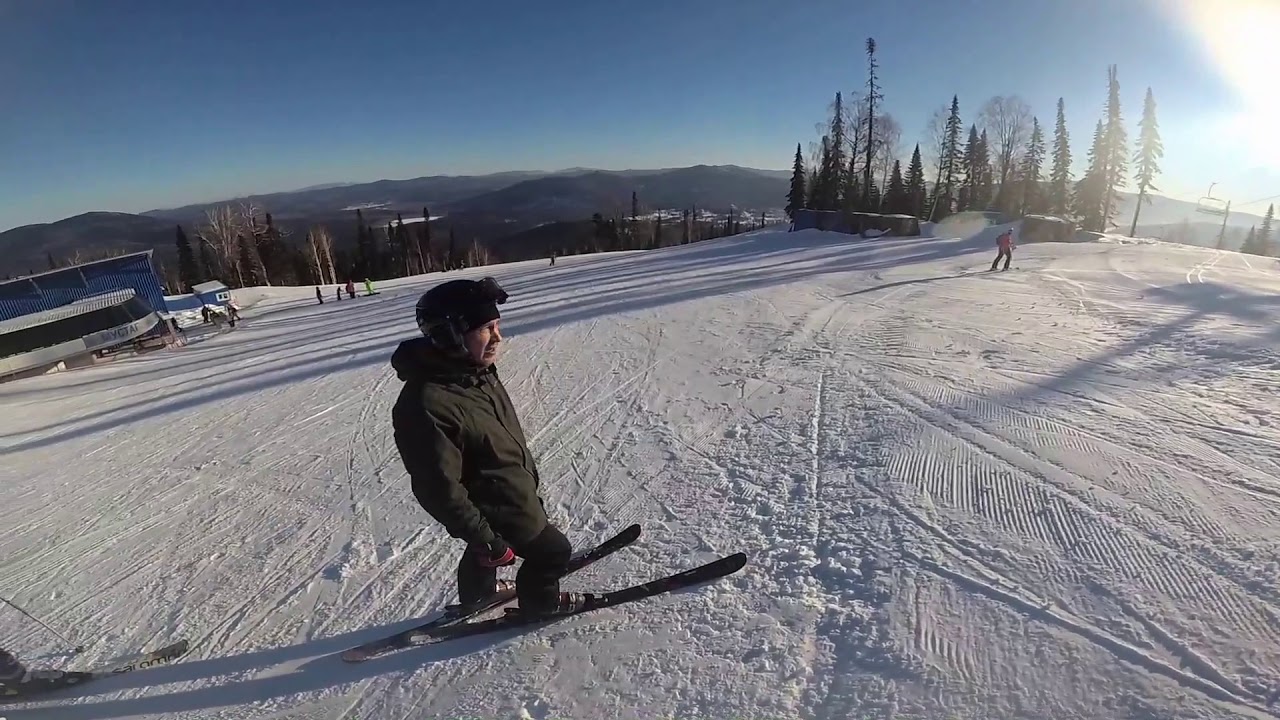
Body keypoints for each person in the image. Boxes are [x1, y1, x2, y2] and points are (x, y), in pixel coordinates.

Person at [389, 276, 590, 618]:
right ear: (450, 336)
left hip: (502, 492)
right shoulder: (427, 403)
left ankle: (478, 594)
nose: (498, 337)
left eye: (497, 325)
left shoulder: (473, 374)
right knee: (553, 552)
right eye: (486, 329)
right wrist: (486, 538)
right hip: (502, 506)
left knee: (486, 542)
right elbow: (437, 487)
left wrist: (486, 538)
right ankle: (541, 605)